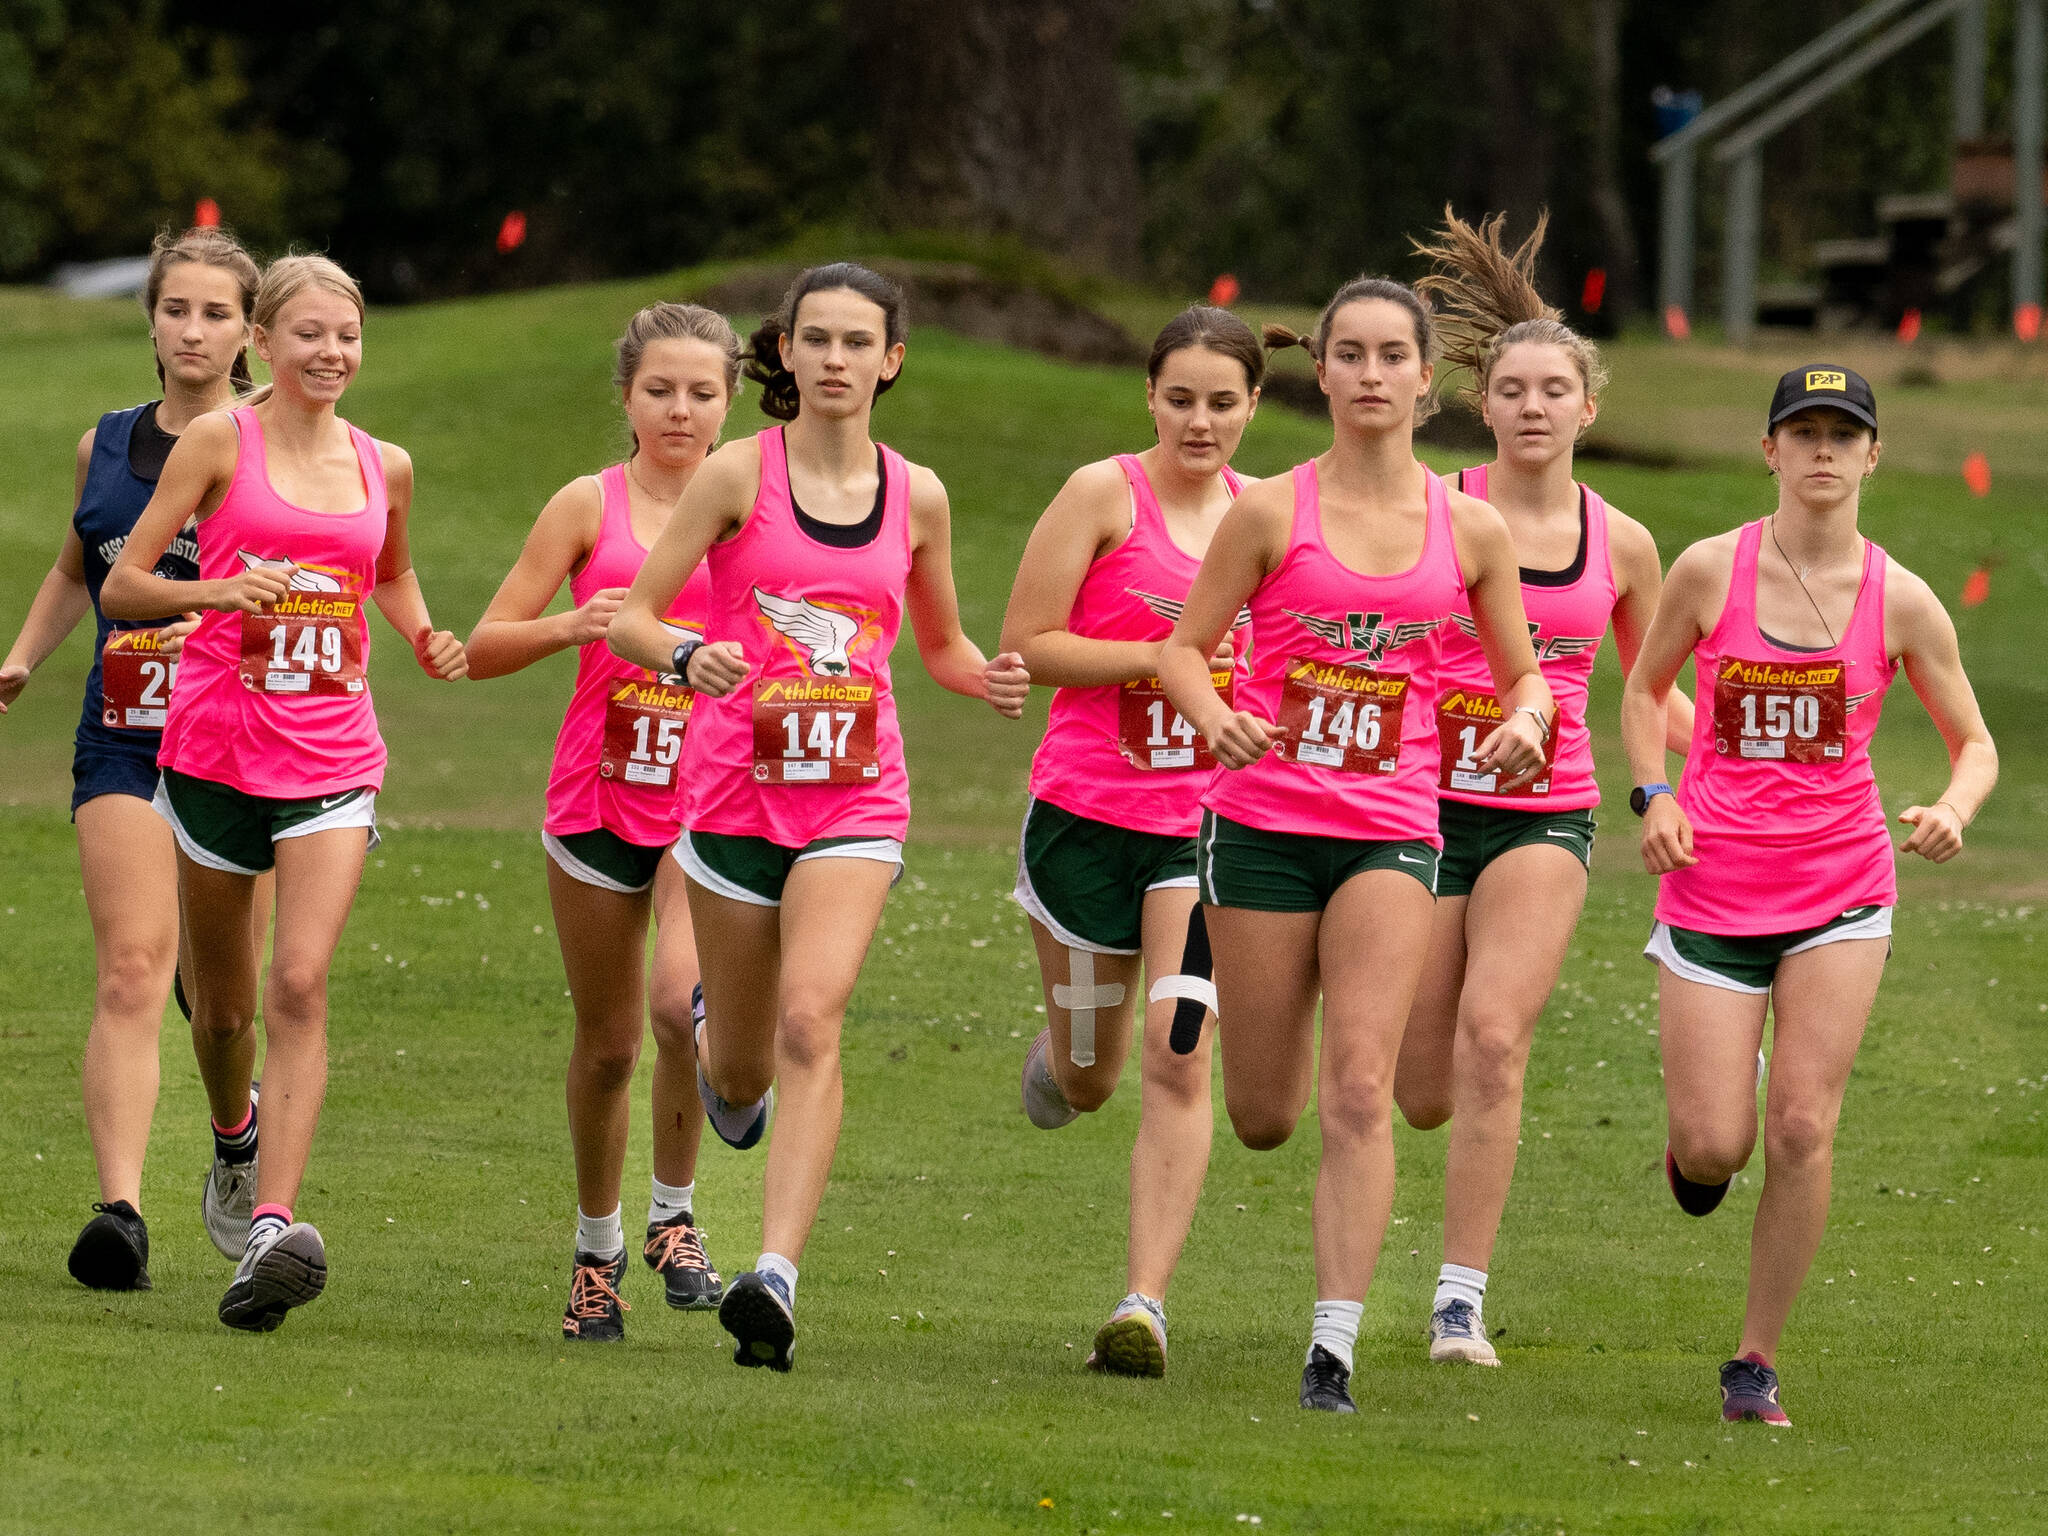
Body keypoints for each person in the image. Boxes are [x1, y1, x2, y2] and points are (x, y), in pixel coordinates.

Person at [609, 262, 1030, 1372]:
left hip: (856, 798)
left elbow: (934, 643)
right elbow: (635, 623)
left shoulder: (917, 494)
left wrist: (985, 675)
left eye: (858, 342)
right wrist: (694, 654)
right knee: (743, 1070)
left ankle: (777, 1276)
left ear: (891, 360)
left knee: (812, 1019)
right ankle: (711, 1047)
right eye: (817, 340)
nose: (835, 359)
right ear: (783, 354)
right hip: (733, 799)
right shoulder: (735, 477)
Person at [1156, 276, 1553, 1413]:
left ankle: (1332, 1342)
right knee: (1263, 1111)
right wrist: (1213, 713)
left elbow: (1519, 669)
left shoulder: (1467, 526)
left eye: (1393, 357)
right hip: (1264, 829)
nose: (1372, 376)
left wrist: (1526, 718)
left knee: (1360, 1087)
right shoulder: (1268, 511)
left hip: (1389, 834)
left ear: (1427, 381)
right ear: (1319, 375)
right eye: (1351, 357)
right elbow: (1185, 650)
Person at [1622, 365, 1996, 1426]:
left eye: (1843, 433)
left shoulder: (1901, 598)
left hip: (1840, 887)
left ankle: (1753, 1361)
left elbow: (1973, 743)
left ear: (1871, 455)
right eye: (1803, 432)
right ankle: (1708, 1115)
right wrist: (1652, 796)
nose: (1822, 451)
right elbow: (1644, 689)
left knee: (1799, 1128)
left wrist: (1953, 809)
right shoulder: (1706, 572)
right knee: (1711, 1148)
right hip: (1710, 887)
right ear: (1768, 450)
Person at [102, 254, 469, 1331]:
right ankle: (232, 1140)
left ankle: (272, 1224)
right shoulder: (223, 442)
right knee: (223, 1011)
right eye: (308, 333)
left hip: (333, 757)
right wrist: (221, 587)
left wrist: (421, 631)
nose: (330, 353)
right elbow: (126, 584)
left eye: (347, 335)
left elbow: (388, 570)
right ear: (263, 341)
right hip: (214, 753)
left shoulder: (381, 463)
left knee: (300, 982)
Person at [1387, 210, 1692, 1366]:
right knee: (1419, 1089)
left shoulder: (1621, 543)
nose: (1528, 406)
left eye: (1550, 389)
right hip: (1413, 810)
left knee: (1493, 1039)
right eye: (1509, 388)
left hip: (1544, 818)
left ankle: (1457, 1297)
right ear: (1481, 400)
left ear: (1585, 408)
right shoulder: (1430, 507)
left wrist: (1698, 776)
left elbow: (1647, 684)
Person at [0, 227, 272, 1291]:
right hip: (122, 733)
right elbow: (83, 566)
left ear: (249, 332)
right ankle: (120, 1213)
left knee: (221, 1003)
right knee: (129, 965)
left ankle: (234, 1130)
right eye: (175, 310)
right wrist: (22, 655)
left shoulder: (276, 448)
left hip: (238, 748)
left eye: (214, 314)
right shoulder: (104, 443)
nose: (191, 330)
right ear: (150, 321)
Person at [467, 303, 740, 1340]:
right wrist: (572, 625)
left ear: (730, 401)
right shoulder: (587, 506)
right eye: (660, 389)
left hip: (709, 803)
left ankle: (675, 1217)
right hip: (597, 798)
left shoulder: (755, 508)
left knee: (679, 1009)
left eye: (701, 392)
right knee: (611, 1044)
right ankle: (596, 1253)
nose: (679, 410)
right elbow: (483, 644)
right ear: (626, 395)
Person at [998, 305, 1261, 1377]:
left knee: (1175, 1054)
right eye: (1181, 400)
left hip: (1200, 832)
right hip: (1083, 817)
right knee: (1094, 1075)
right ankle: (1060, 1063)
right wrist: (1161, 662)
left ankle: (1140, 1305)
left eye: (1223, 403)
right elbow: (1029, 643)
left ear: (1253, 405)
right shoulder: (1102, 493)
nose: (1201, 423)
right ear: (1150, 397)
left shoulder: (1266, 516)